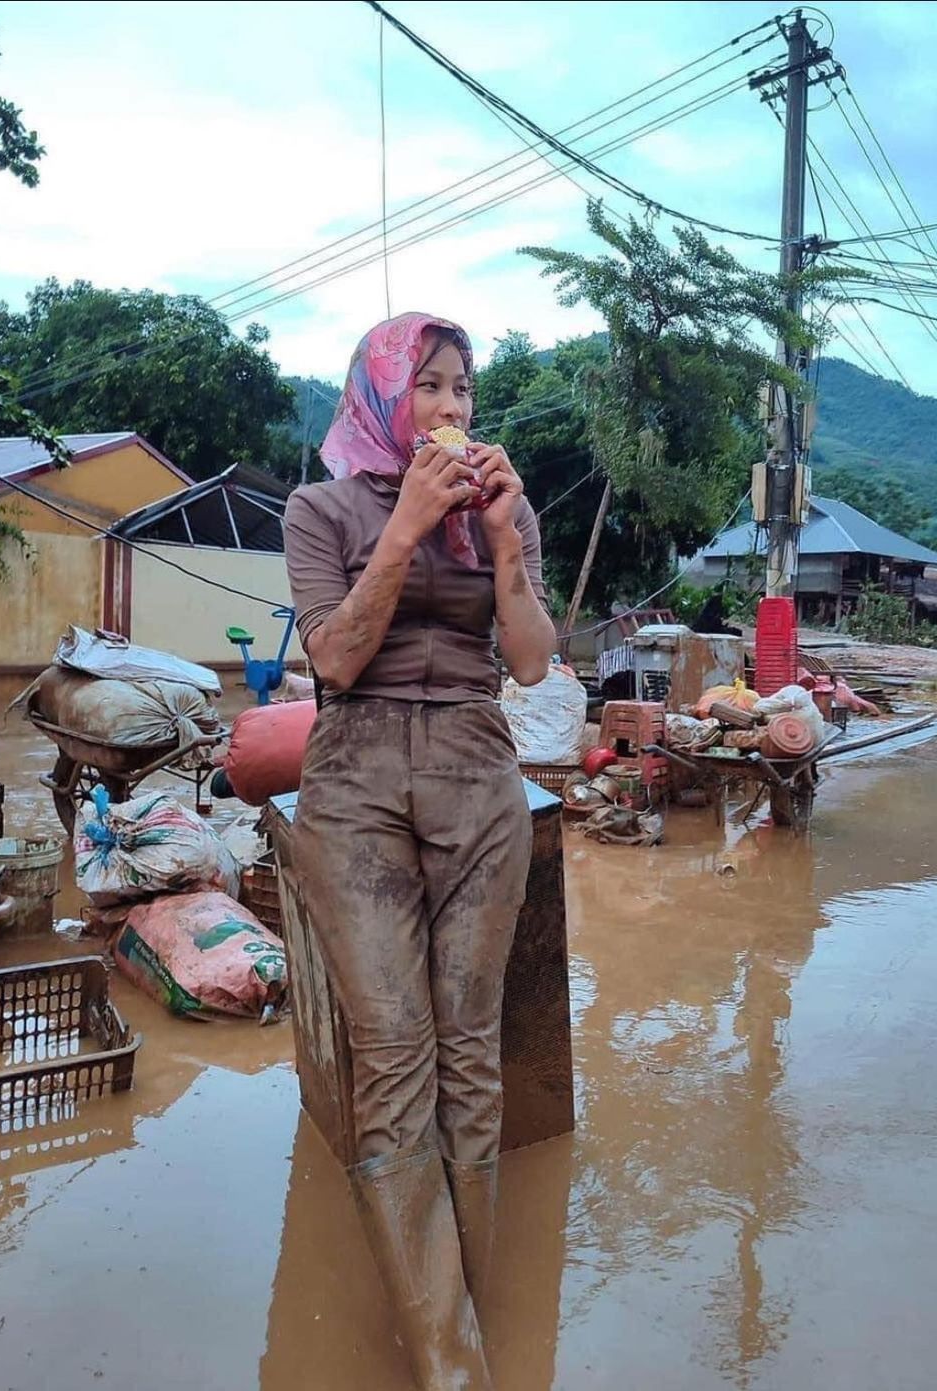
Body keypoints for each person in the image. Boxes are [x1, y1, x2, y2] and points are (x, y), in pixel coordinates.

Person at [283, 312, 555, 1390]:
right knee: (394, 1060)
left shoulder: (507, 511)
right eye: (431, 386)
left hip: (478, 766)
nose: (453, 408)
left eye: (465, 390)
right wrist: (405, 526)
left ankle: (466, 1316)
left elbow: (531, 663)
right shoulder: (322, 506)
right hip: (354, 775)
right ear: (386, 397)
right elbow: (337, 658)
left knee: (470, 1053)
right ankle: (454, 1366)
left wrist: (499, 536)